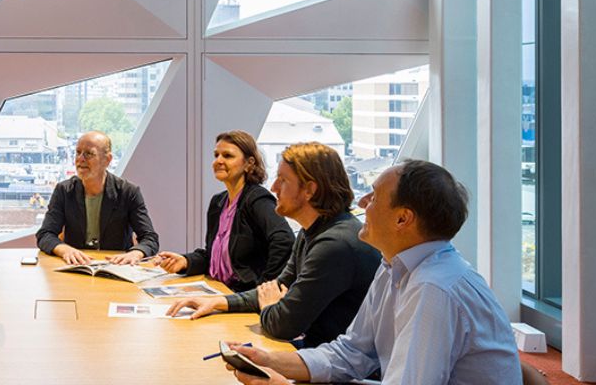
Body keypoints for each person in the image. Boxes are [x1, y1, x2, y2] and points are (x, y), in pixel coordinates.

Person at [225, 159, 522, 385]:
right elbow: (352, 352)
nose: (363, 203)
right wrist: (273, 361)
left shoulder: (434, 289)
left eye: (375, 196)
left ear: (403, 219)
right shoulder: (394, 265)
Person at [166, 142, 381, 348]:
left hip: (334, 367)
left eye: (283, 180)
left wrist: (269, 304)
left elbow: (283, 325)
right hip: (319, 354)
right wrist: (219, 302)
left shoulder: (334, 244)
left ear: (309, 190)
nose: (274, 187)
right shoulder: (311, 232)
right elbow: (278, 287)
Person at [155, 130, 294, 292]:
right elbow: (212, 256)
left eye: (227, 156)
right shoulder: (218, 202)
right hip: (217, 288)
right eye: (216, 155)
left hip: (241, 294)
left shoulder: (257, 199)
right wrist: (186, 261)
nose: (218, 161)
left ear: (249, 163)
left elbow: (284, 240)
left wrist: (265, 286)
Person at [36, 131, 159, 265]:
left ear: (107, 160)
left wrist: (136, 253)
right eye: (78, 152)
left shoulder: (128, 192)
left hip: (116, 267)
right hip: (77, 267)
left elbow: (150, 238)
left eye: (89, 154)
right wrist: (65, 250)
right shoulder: (64, 191)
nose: (80, 159)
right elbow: (45, 234)